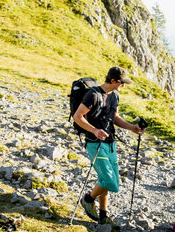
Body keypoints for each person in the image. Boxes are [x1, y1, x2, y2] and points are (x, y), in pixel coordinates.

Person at [73, 66, 145, 230]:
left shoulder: (115, 95)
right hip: (95, 143)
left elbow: (115, 117)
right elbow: (78, 116)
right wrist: (94, 130)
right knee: (111, 182)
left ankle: (103, 217)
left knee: (105, 180)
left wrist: (130, 127)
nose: (123, 86)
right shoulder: (93, 95)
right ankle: (88, 200)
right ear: (112, 80)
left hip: (111, 143)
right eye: (121, 82)